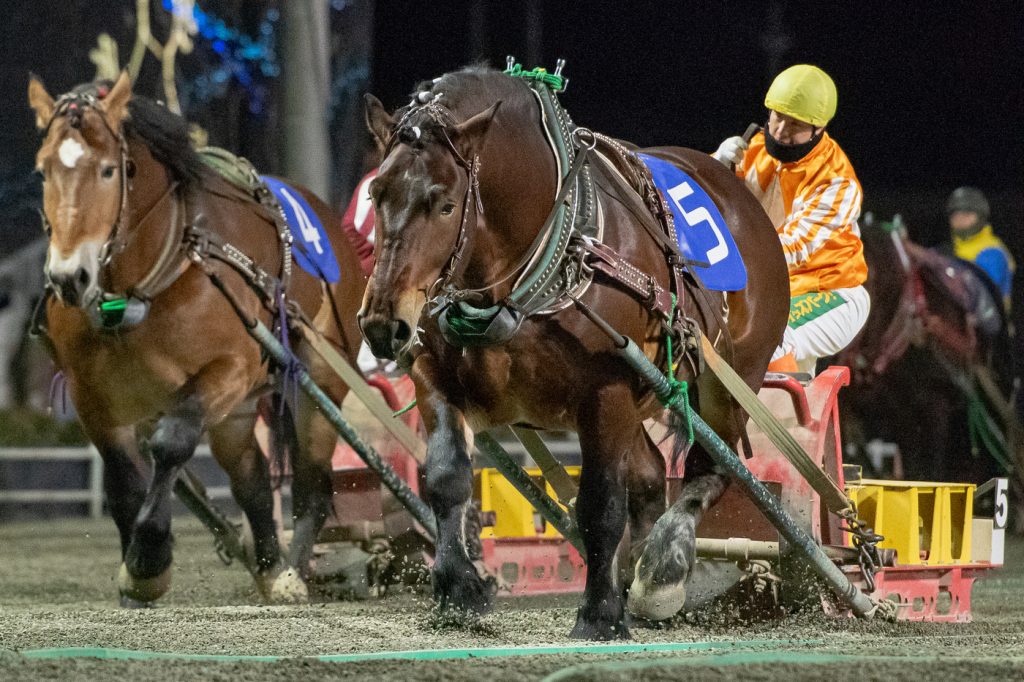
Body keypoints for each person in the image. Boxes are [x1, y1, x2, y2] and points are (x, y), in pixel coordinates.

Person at [711, 64, 869, 374]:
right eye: (777, 116)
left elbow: (787, 250)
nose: (781, 131)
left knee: (767, 337)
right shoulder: (752, 149)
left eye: (795, 125)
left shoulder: (836, 181)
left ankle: (755, 422)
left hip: (830, 293)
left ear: (819, 129)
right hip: (770, 288)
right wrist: (713, 168)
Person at [943, 186, 1015, 310]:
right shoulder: (947, 249)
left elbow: (978, 293)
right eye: (955, 216)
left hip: (987, 325)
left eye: (967, 215)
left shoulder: (993, 252)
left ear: (980, 217)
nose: (960, 220)